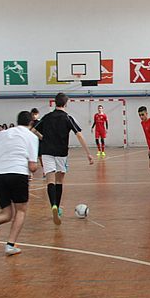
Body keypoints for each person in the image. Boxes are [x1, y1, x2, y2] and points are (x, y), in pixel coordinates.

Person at [0, 111, 39, 256]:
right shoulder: (31, 136)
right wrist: (34, 168)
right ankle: (10, 245)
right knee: (21, 211)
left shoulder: (4, 133)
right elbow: (32, 166)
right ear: (31, 123)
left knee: (7, 213)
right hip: (17, 172)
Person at [33, 93, 94, 225]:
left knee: (50, 181)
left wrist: (42, 137)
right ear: (66, 103)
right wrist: (88, 153)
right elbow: (79, 135)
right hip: (61, 153)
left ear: (55, 102)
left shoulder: (47, 117)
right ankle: (58, 207)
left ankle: (54, 206)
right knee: (59, 181)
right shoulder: (67, 118)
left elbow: (33, 130)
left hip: (46, 152)